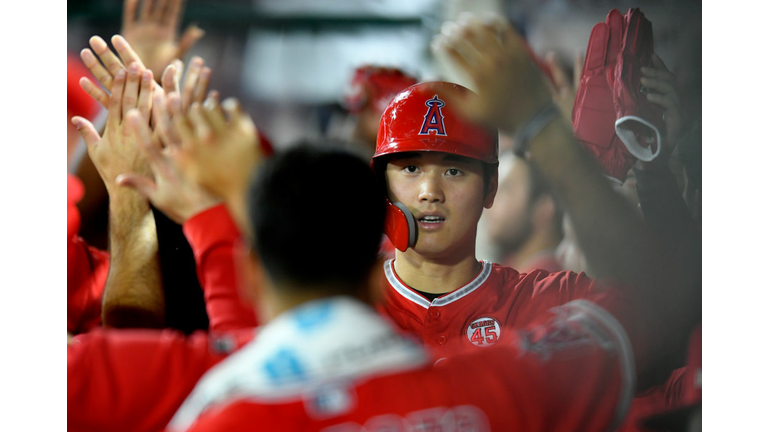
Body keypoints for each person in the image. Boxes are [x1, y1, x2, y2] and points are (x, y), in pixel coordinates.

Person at [484, 151, 563, 272]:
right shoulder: (511, 267)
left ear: (544, 208)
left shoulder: (547, 284)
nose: (488, 202)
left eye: (506, 189)